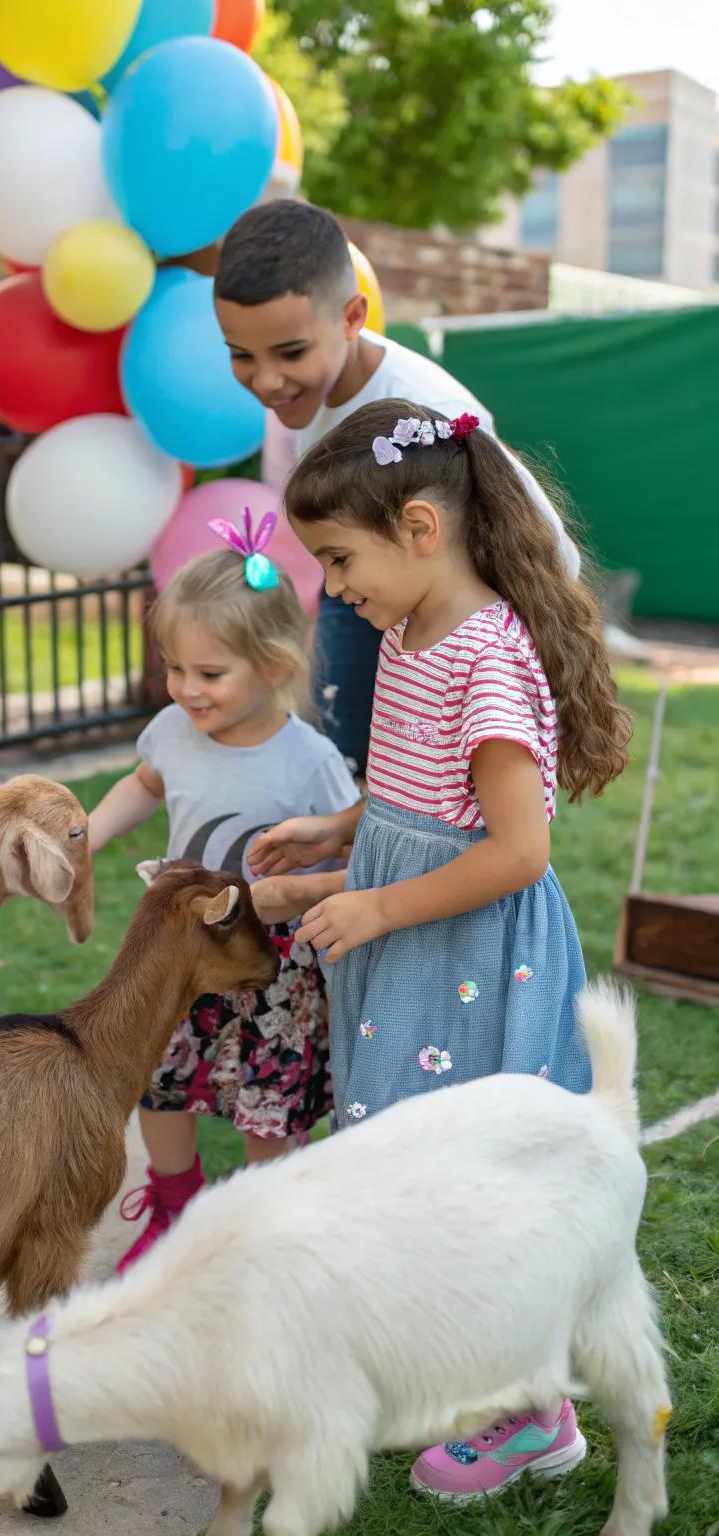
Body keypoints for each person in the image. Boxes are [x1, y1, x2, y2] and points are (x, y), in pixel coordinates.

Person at [247, 396, 631, 1503]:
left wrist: (370, 909)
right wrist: (342, 831)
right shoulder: (408, 633)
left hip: (469, 958)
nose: (331, 587)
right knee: (407, 1169)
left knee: (478, 1188)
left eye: (337, 558)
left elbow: (513, 852)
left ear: (420, 529)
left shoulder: (493, 663)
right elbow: (412, 788)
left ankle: (534, 1419)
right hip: (413, 952)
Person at [213, 200, 580, 775]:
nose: (265, 380)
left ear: (353, 315)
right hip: (370, 603)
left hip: (458, 635)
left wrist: (473, 669)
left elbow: (550, 553)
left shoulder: (431, 408)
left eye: (291, 352)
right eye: (241, 355)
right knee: (350, 771)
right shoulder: (292, 401)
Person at [88, 524, 360, 1273]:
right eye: (174, 668)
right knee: (158, 1077)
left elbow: (349, 846)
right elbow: (142, 786)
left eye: (209, 672)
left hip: (272, 965)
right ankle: (173, 1207)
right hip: (178, 952)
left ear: (273, 666)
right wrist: (88, 832)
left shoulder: (310, 760)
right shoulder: (173, 730)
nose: (186, 688)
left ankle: (265, 1236)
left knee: (268, 1102)